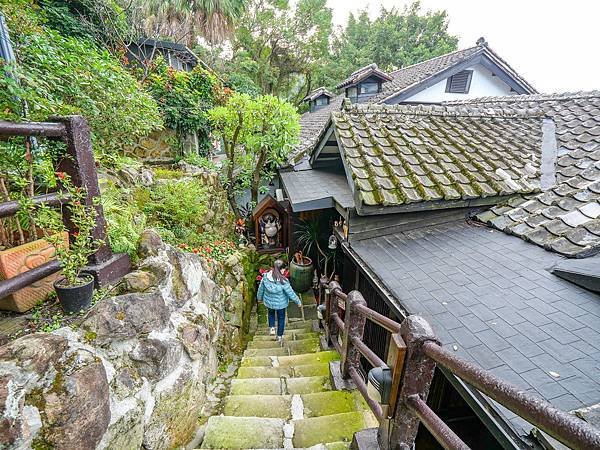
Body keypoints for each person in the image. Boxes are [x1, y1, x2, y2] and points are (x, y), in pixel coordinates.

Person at [257, 259, 301, 342]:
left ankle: (272, 328)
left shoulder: (265, 277)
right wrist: (298, 302)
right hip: (281, 304)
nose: (284, 271)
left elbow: (261, 289)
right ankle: (279, 336)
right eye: (284, 269)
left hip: (269, 302)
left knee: (271, 314)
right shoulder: (283, 281)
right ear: (281, 269)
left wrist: (259, 298)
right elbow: (290, 293)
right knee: (281, 318)